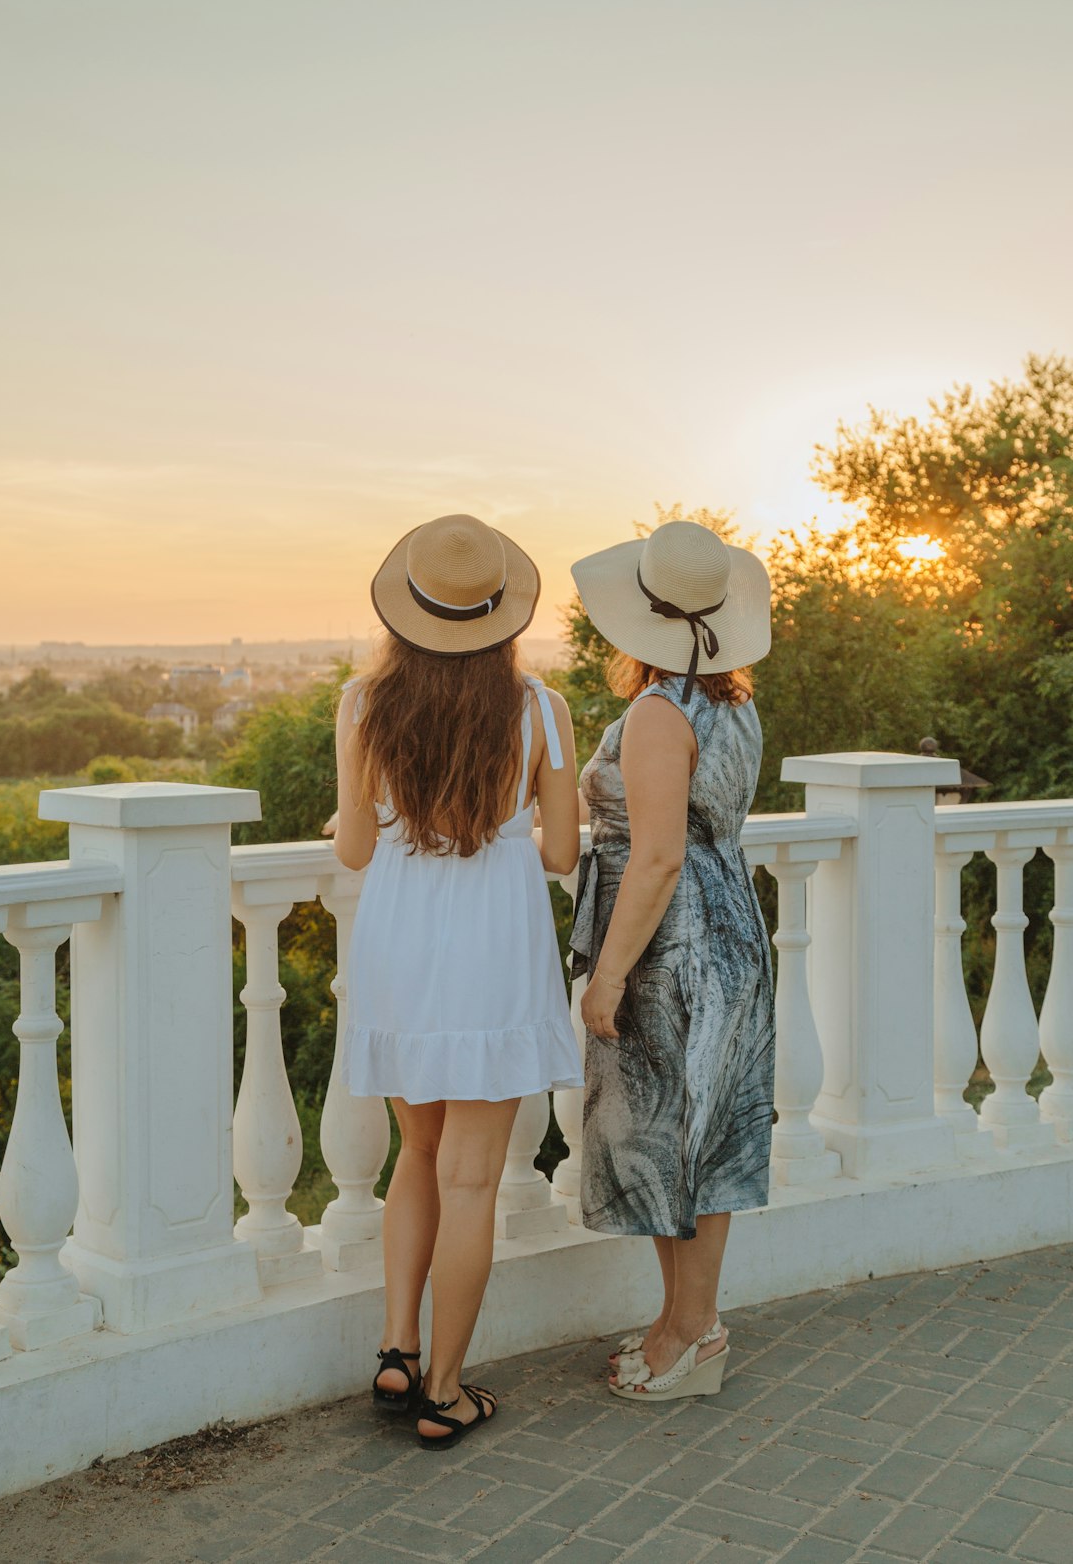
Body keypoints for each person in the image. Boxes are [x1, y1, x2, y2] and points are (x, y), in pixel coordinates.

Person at [331, 513, 581, 1448]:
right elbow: (559, 852)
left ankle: (396, 1350)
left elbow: (356, 849)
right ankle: (445, 1390)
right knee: (473, 1179)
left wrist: (375, 819)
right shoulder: (541, 711)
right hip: (492, 954)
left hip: (402, 948)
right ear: (502, 617)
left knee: (417, 1158)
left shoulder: (362, 705)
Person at [569, 518, 774, 1402]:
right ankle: (686, 1324)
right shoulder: (733, 703)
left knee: (665, 1141)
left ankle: (688, 1338)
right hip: (734, 939)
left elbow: (655, 858)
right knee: (705, 1143)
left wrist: (608, 974)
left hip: (674, 953)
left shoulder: (656, 714)